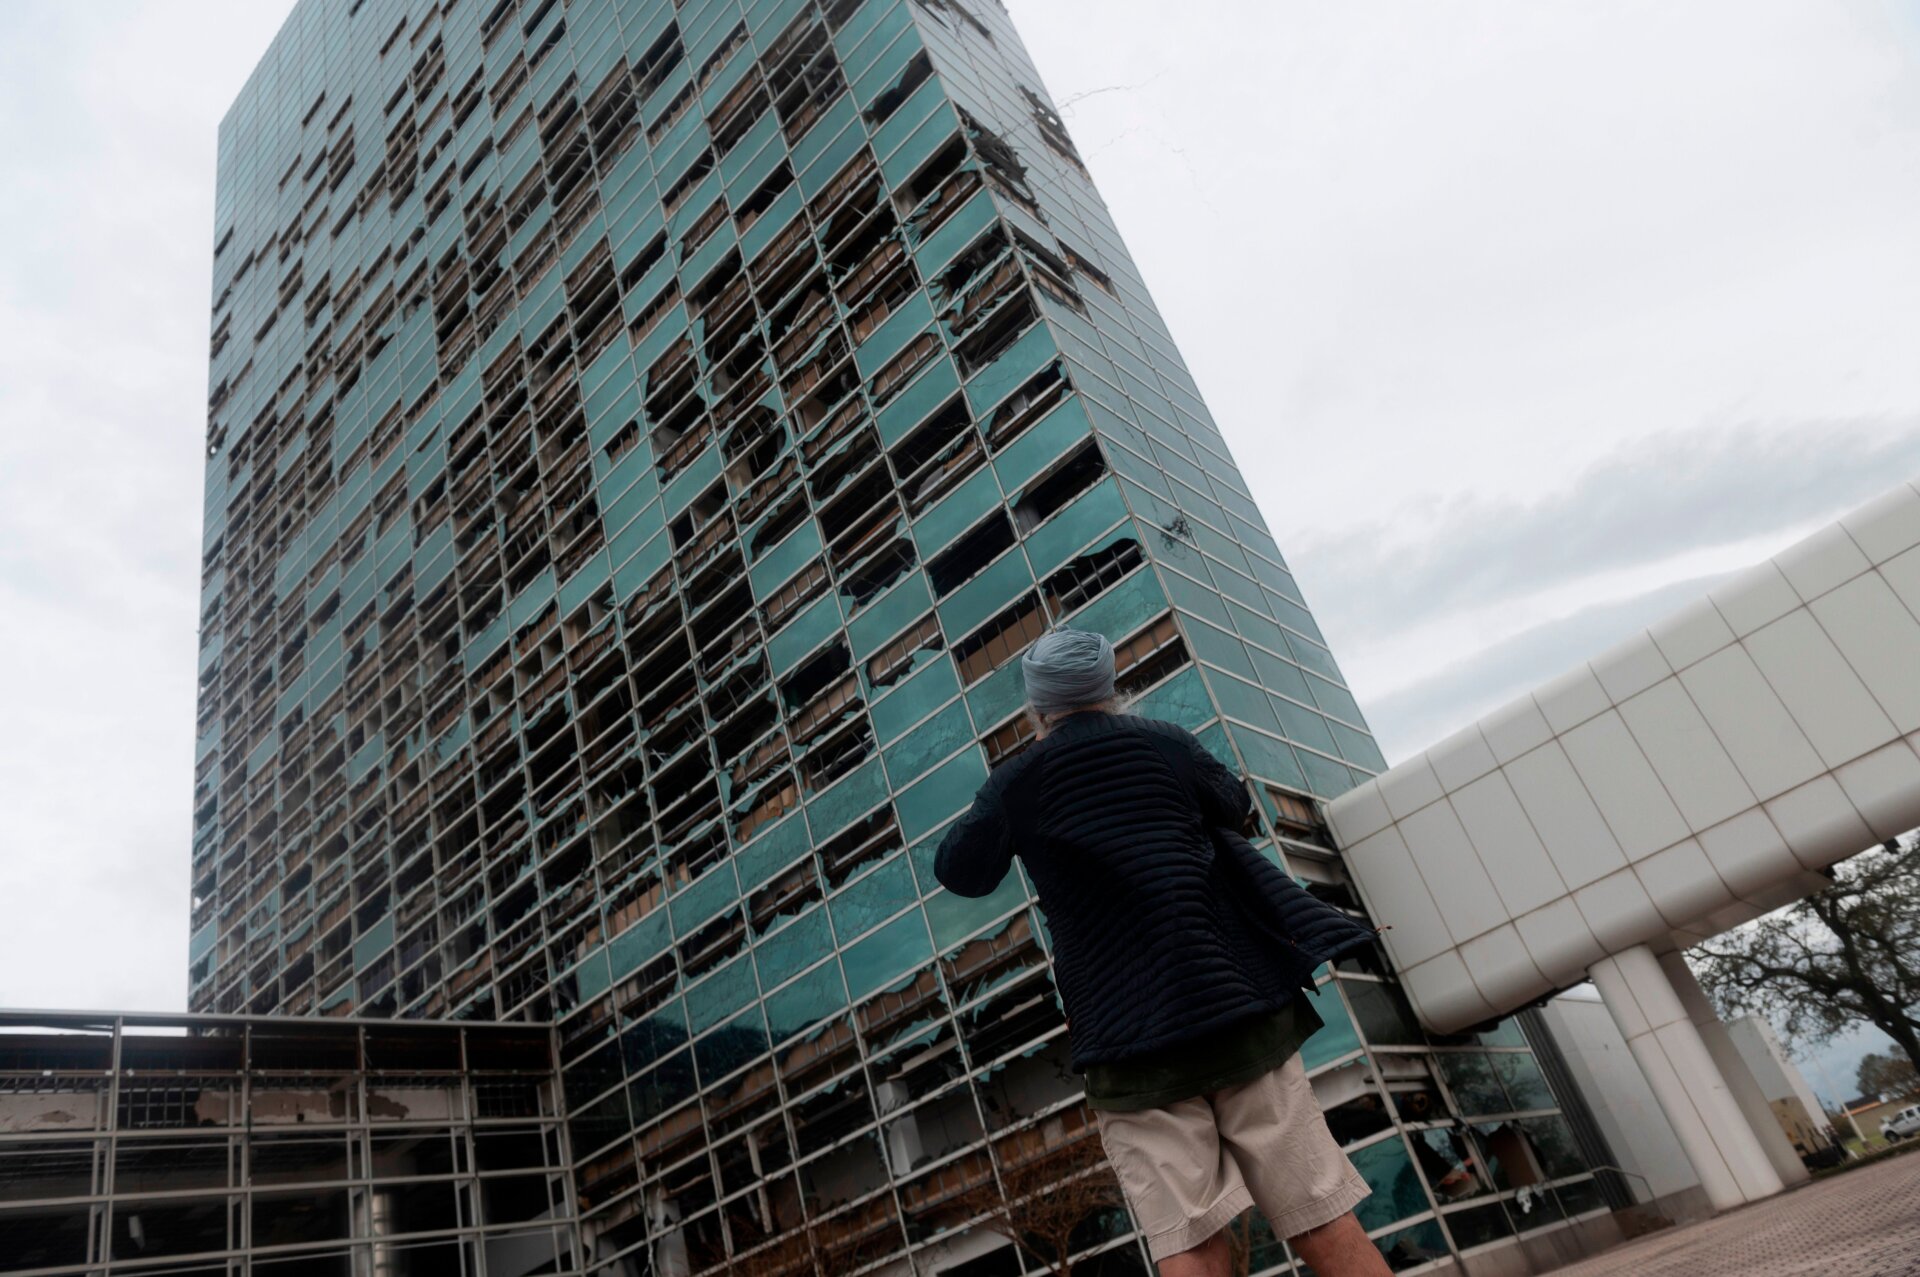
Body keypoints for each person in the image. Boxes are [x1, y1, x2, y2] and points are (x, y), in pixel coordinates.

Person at [935, 628, 1391, 1277]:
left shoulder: (1017, 784)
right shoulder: (1168, 745)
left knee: (1191, 1242)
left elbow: (960, 870)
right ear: (1108, 688)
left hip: (1132, 1045)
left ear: (1038, 706)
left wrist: (1017, 792)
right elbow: (1231, 805)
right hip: (1239, 1015)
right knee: (1322, 1215)